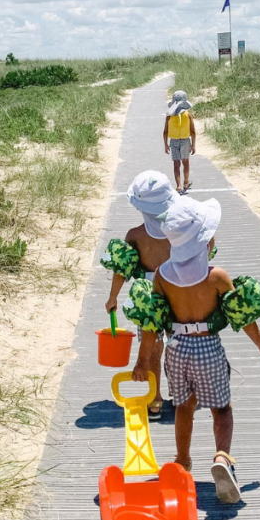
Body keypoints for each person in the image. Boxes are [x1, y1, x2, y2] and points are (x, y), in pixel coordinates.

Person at [127, 196, 260, 504]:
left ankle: (183, 460)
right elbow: (242, 315)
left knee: (184, 407)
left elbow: (152, 323)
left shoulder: (162, 276)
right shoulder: (217, 276)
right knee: (221, 409)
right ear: (205, 243)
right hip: (207, 348)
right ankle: (222, 458)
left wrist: (142, 361)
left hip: (177, 349)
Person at [101, 171, 176, 419]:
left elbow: (122, 269)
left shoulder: (135, 235)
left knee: (152, 348)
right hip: (179, 292)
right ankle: (183, 395)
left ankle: (155, 399)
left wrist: (113, 297)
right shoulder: (180, 231)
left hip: (148, 298)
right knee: (181, 344)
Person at [163, 89, 196, 194]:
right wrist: (193, 145)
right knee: (185, 162)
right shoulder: (188, 115)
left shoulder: (169, 116)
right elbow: (193, 131)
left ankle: (178, 186)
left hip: (173, 141)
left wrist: (166, 145)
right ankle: (186, 182)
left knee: (176, 164)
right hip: (185, 141)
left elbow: (165, 131)